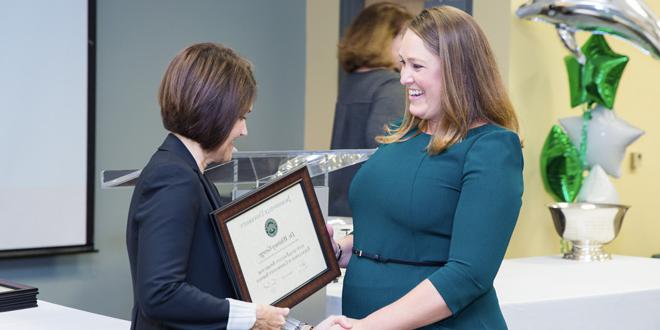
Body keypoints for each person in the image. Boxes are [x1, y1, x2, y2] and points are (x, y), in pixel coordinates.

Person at [126, 43, 352, 330]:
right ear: (213, 113)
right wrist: (252, 316)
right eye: (241, 116)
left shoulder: (188, 173)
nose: (244, 130)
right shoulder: (174, 177)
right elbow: (160, 294)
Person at [332, 6, 524, 329]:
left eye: (417, 65)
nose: (404, 77)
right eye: (403, 63)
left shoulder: (491, 148)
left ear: (458, 71)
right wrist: (342, 250)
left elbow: (468, 274)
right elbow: (398, 235)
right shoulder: (401, 132)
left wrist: (369, 326)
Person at [329, 2, 412, 217]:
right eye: (405, 35)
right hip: (369, 210)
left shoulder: (352, 82)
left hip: (339, 204)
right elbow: (387, 153)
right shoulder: (390, 85)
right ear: (384, 38)